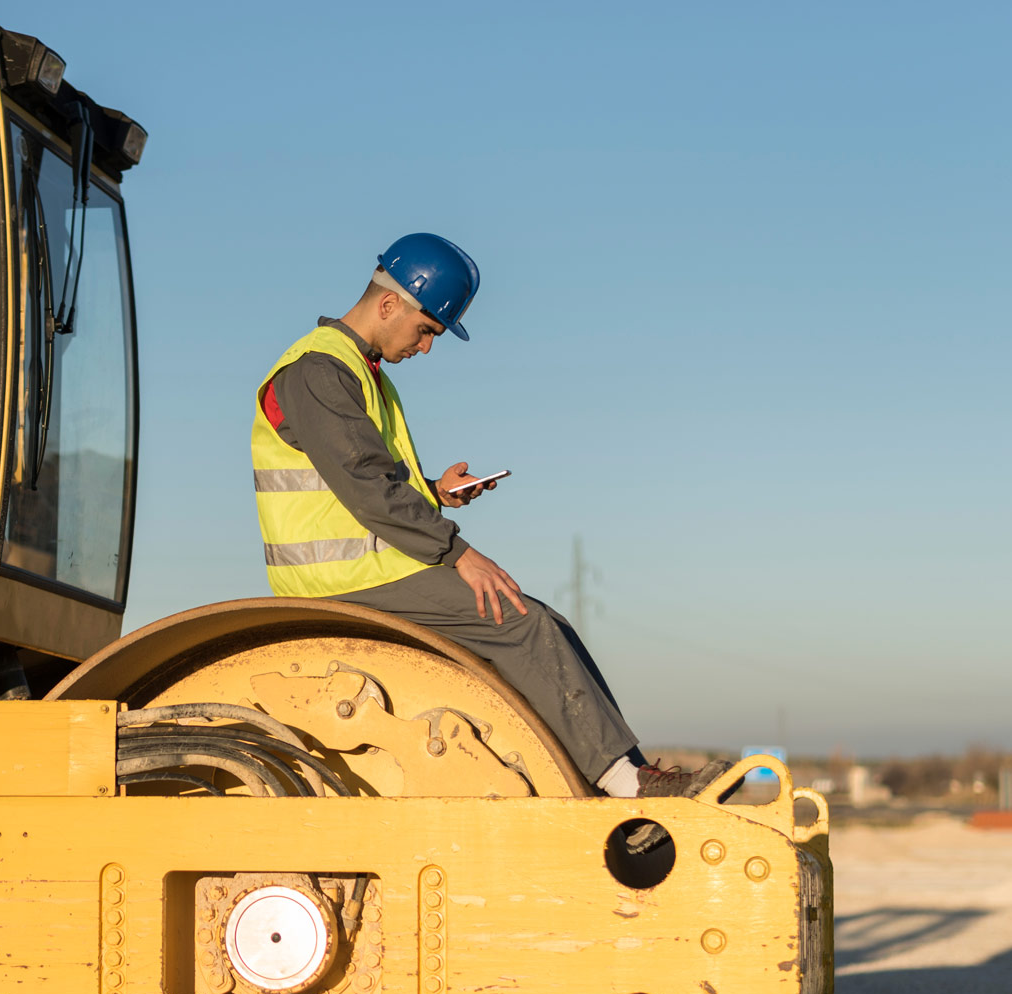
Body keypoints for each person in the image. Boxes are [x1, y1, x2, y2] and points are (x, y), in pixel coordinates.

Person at [249, 233, 718, 798]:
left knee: (546, 624)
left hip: (372, 570)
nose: (425, 348)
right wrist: (459, 553)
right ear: (390, 303)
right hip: (339, 581)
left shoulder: (357, 372)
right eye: (427, 330)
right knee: (521, 623)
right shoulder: (320, 370)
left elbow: (355, 478)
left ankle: (626, 778)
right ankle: (628, 789)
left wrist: (432, 491)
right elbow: (367, 487)